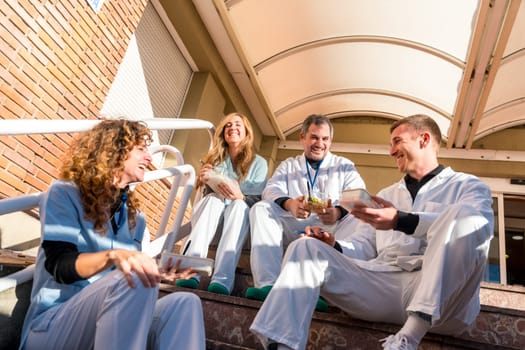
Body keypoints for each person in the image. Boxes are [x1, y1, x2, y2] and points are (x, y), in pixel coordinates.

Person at [249, 114, 494, 350]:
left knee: (465, 216)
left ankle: (408, 337)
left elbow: (473, 227)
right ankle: (282, 345)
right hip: (384, 283)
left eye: (398, 141)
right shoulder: (386, 195)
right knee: (305, 247)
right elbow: (364, 247)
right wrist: (334, 245)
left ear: (424, 140)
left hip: (446, 303)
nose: (391, 151)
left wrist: (400, 220)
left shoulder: (469, 186)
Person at [19, 119, 206, 350]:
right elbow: (59, 265)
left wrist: (159, 274)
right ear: (114, 151)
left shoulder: (135, 218)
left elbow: (124, 285)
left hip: (107, 321)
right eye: (141, 149)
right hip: (53, 326)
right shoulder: (65, 192)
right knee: (133, 276)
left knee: (185, 303)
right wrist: (113, 256)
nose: (149, 158)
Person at [246, 114, 366, 308]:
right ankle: (268, 284)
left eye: (325, 139)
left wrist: (337, 212)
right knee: (261, 208)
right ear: (302, 137)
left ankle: (326, 292)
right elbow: (270, 190)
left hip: (330, 227)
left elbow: (360, 195)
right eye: (314, 137)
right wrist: (290, 204)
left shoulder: (343, 165)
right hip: (296, 223)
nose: (320, 143)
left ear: (330, 141)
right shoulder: (289, 165)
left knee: (359, 220)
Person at [176, 113, 268, 295]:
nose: (232, 128)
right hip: (213, 214)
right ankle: (191, 271)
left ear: (246, 132)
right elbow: (210, 192)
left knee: (239, 206)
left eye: (237, 125)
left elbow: (257, 199)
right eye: (227, 125)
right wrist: (205, 179)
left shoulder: (259, 163)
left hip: (239, 218)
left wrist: (240, 196)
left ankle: (222, 280)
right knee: (212, 201)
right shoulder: (215, 160)